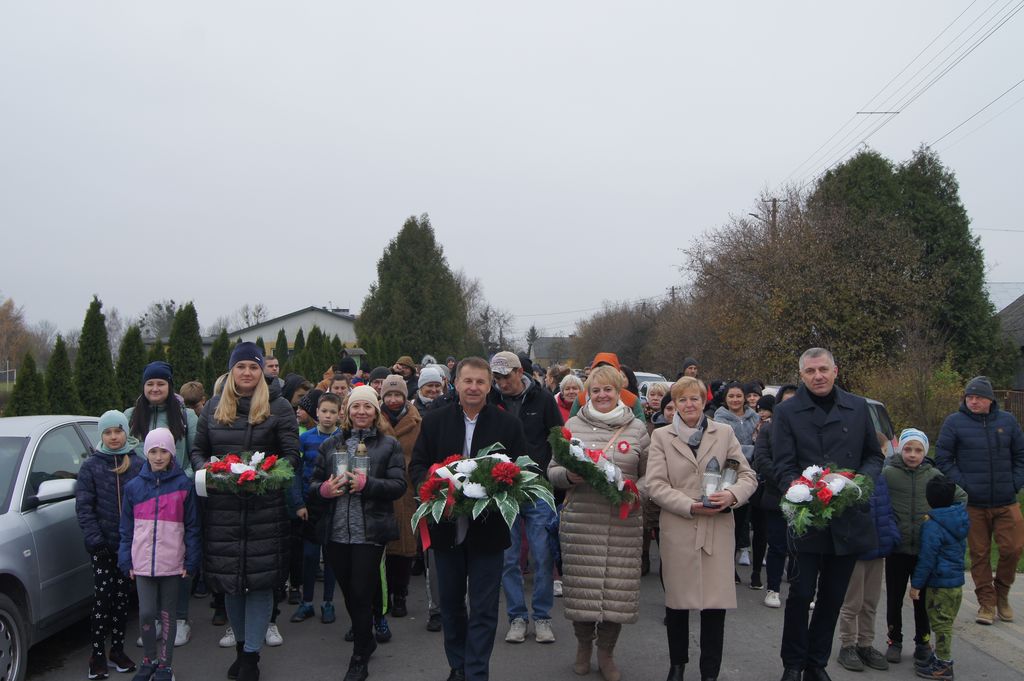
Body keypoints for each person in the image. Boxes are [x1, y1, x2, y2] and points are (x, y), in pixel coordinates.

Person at [409, 357, 529, 681]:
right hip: (446, 527)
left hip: (488, 533)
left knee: (485, 608)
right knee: (450, 604)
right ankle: (457, 665)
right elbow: (417, 466)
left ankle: (477, 672)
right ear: (456, 384)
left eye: (480, 382)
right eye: (468, 381)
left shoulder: (508, 425)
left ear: (490, 386)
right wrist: (433, 488)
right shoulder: (434, 422)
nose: (473, 387)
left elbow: (523, 473)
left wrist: (501, 486)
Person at [190, 342, 301, 681]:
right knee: (232, 585)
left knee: (260, 584)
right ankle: (240, 648)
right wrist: (210, 471)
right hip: (223, 511)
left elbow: (291, 456)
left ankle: (251, 657)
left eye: (253, 367)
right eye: (241, 367)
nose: (248, 373)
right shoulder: (212, 408)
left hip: (264, 511)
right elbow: (198, 450)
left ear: (262, 372)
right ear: (231, 371)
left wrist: (266, 477)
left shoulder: (279, 408)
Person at [772, 348, 884, 681]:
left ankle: (816, 664)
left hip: (848, 516)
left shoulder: (858, 407)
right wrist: (800, 489)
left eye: (823, 369)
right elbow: (782, 464)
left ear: (836, 370)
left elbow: (873, 457)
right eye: (810, 371)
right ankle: (793, 663)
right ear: (801, 375)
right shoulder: (787, 412)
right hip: (808, 517)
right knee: (801, 593)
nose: (818, 376)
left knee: (833, 596)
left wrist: (856, 484)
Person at [645, 376, 757, 681]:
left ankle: (710, 673)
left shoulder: (724, 433)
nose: (689, 404)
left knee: (714, 606)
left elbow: (747, 476)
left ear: (704, 401)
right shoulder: (662, 437)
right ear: (674, 405)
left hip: (717, 529)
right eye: (682, 400)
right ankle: (677, 666)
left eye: (694, 398)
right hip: (679, 526)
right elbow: (654, 484)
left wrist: (732, 495)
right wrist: (687, 504)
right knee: (678, 604)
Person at [548, 365, 650, 681]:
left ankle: (606, 653)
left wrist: (637, 492)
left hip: (623, 522)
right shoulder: (573, 424)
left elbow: (651, 476)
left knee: (616, 594)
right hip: (582, 520)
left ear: (619, 393)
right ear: (587, 394)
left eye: (608, 390)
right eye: (596, 390)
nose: (602, 395)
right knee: (582, 590)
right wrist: (567, 475)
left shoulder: (637, 429)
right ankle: (583, 647)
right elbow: (552, 468)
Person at [308, 385, 407, 681]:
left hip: (369, 530)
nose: (361, 412)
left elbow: (398, 486)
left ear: (375, 412)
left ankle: (359, 657)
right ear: (346, 412)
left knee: (362, 592)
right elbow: (313, 485)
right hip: (336, 531)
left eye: (367, 407)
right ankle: (368, 638)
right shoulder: (330, 445)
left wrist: (368, 485)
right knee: (349, 593)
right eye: (355, 407)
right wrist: (324, 490)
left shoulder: (388, 445)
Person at [934, 375, 1024, 625]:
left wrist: (1015, 483)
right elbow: (943, 459)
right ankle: (987, 602)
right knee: (980, 554)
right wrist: (965, 486)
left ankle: (1002, 593)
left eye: (979, 397)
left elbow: (1021, 455)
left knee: (1013, 549)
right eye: (969, 397)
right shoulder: (954, 422)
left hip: (1006, 500)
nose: (973, 401)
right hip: (973, 503)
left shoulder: (1007, 421)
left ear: (990, 400)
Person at [489, 350, 564, 645]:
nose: (501, 382)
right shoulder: (491, 401)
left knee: (543, 554)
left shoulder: (543, 399)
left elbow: (558, 437)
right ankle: (517, 617)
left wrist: (555, 476)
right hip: (503, 487)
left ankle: (543, 617)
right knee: (508, 558)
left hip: (537, 487)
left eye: (506, 376)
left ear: (520, 372)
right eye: (497, 377)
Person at [125, 361, 200, 646]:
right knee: (148, 557)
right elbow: (125, 455)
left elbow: (194, 453)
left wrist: (183, 481)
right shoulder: (131, 416)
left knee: (176, 557)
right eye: (150, 384)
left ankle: (179, 618)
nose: (155, 389)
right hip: (142, 498)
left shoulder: (185, 416)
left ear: (169, 387)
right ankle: (154, 619)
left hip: (177, 497)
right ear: (143, 387)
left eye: (161, 384)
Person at [118, 428, 201, 681]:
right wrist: (126, 558)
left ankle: (165, 665)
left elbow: (193, 526)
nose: (158, 456)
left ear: (172, 453)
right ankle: (149, 660)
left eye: (163, 451)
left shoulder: (184, 486)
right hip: (142, 563)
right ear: (146, 453)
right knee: (145, 613)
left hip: (172, 563)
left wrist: (191, 559)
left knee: (167, 613)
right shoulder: (133, 487)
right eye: (153, 451)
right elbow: (126, 527)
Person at [882, 428, 967, 666]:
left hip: (924, 550)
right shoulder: (888, 473)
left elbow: (961, 497)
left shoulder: (934, 475)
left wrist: (941, 519)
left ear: (925, 452)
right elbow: (876, 496)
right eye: (908, 449)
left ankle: (923, 641)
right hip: (897, 548)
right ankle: (894, 640)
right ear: (900, 450)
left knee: (923, 599)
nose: (912, 454)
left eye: (918, 450)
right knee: (895, 598)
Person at [76, 410, 142, 680]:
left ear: (126, 432)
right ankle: (97, 654)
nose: (114, 437)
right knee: (103, 600)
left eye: (118, 431)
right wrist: (95, 540)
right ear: (101, 435)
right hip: (102, 547)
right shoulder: (91, 466)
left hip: (128, 547)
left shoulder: (137, 463)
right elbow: (84, 507)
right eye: (108, 432)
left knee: (123, 599)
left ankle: (116, 649)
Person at [835, 474, 900, 672]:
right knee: (852, 602)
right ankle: (847, 645)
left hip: (877, 547)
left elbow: (886, 510)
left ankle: (865, 644)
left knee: (870, 602)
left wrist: (890, 535)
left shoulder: (880, 478)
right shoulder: (845, 477)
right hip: (855, 550)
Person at [910, 476, 969, 680]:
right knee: (947, 621)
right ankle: (938, 658)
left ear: (928, 498)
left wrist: (916, 585)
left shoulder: (932, 525)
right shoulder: (959, 517)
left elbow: (927, 558)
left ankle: (944, 665)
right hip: (956, 582)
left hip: (939, 584)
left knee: (941, 625)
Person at [292, 392, 343, 624]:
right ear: (317, 413)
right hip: (310, 503)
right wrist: (298, 503)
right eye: (324, 411)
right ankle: (307, 602)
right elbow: (295, 472)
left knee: (331, 556)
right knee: (310, 556)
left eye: (333, 412)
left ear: (339, 414)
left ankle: (328, 602)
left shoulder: (343, 439)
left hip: (335, 504)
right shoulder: (305, 439)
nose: (328, 416)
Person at [377, 375, 423, 623]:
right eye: (389, 395)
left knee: (404, 547)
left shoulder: (417, 422)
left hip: (406, 489)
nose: (393, 400)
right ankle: (382, 596)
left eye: (398, 395)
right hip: (380, 486)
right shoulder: (374, 418)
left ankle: (400, 596)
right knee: (380, 547)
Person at [752, 385, 798, 608]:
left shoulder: (807, 429)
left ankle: (800, 590)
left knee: (800, 546)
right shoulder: (768, 430)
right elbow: (761, 459)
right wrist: (786, 482)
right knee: (778, 545)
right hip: (776, 494)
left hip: (804, 496)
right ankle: (773, 589)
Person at [713, 381, 759, 579]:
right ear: (725, 399)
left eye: (738, 396)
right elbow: (725, 448)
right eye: (731, 396)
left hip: (750, 475)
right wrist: (750, 450)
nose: (735, 400)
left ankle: (732, 561)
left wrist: (749, 450)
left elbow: (762, 444)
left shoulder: (755, 417)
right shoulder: (719, 419)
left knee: (742, 524)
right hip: (727, 475)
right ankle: (724, 567)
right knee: (726, 524)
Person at [568, 352, 645, 421]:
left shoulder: (632, 400)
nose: (604, 373)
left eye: (609, 370)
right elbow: (572, 426)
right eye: (599, 369)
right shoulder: (581, 399)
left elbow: (640, 429)